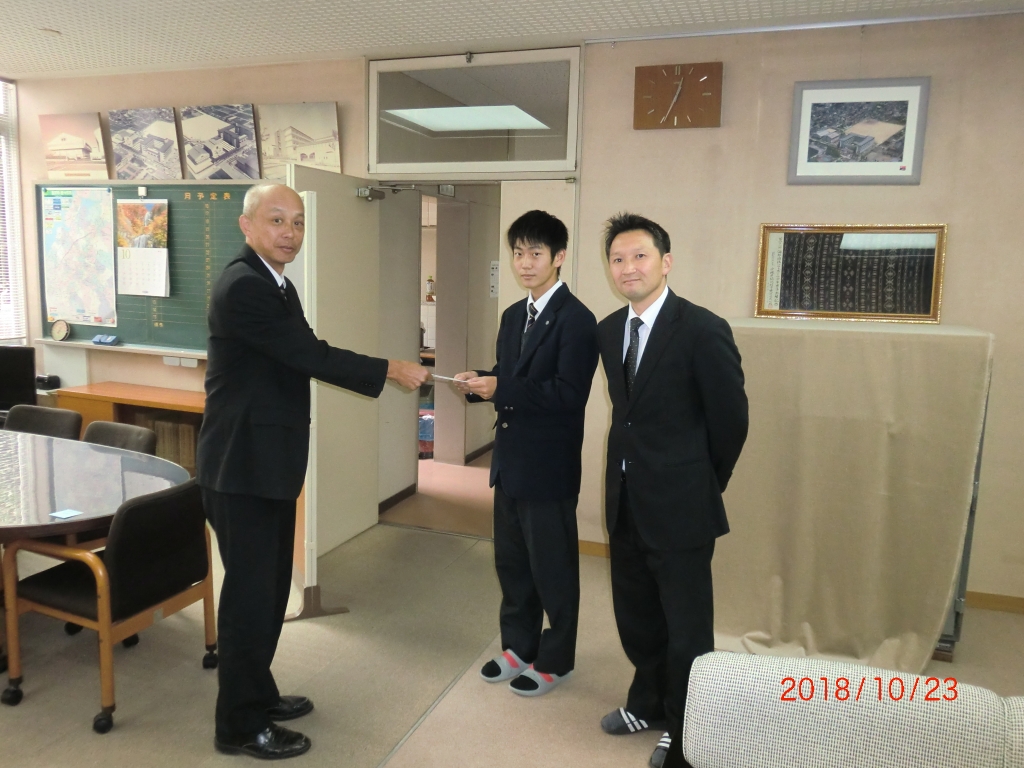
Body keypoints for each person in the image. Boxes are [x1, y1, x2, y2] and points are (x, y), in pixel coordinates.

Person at [196, 183, 429, 759]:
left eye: (298, 222)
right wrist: (389, 368)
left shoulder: (278, 283)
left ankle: (258, 693)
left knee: (272, 588)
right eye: (277, 220)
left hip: (267, 464)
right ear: (247, 225)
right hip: (242, 469)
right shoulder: (243, 286)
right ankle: (238, 725)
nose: (290, 233)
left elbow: (301, 349)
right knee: (250, 598)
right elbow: (310, 355)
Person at [595, 213, 748, 768]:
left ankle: (687, 733)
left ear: (666, 262)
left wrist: (702, 483)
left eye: (639, 256)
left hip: (682, 504)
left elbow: (731, 421)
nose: (628, 267)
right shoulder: (609, 329)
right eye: (617, 259)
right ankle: (649, 702)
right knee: (637, 615)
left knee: (686, 628)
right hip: (625, 498)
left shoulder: (702, 328)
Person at [454, 210, 598, 697]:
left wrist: (502, 386)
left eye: (536, 253)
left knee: (553, 570)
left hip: (549, 466)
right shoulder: (514, 314)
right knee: (512, 565)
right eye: (518, 253)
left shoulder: (578, 320)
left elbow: (567, 394)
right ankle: (519, 647)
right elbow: (509, 376)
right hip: (510, 461)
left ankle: (556, 660)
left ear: (559, 257)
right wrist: (480, 382)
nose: (525, 262)